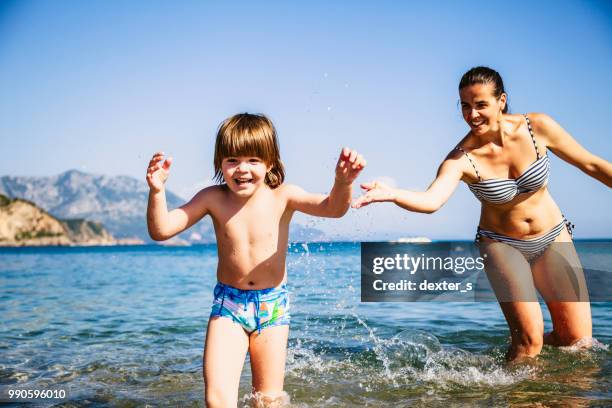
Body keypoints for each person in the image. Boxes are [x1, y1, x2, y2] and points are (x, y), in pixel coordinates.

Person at [353, 66, 612, 361]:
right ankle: (516, 391)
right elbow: (431, 200)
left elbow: (590, 164)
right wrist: (393, 194)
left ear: (501, 101)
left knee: (577, 341)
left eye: (480, 105)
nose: (472, 114)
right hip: (502, 244)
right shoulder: (461, 158)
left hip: (553, 236)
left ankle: (518, 374)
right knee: (530, 343)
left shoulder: (537, 127)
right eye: (465, 106)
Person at [146, 112, 365, 406]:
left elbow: (333, 208)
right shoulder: (212, 198)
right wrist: (157, 191)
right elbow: (161, 230)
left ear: (270, 162)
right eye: (232, 160)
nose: (242, 169)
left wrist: (342, 182)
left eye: (253, 160)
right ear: (219, 163)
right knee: (217, 399)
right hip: (229, 306)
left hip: (273, 307)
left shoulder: (283, 196)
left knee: (268, 401)